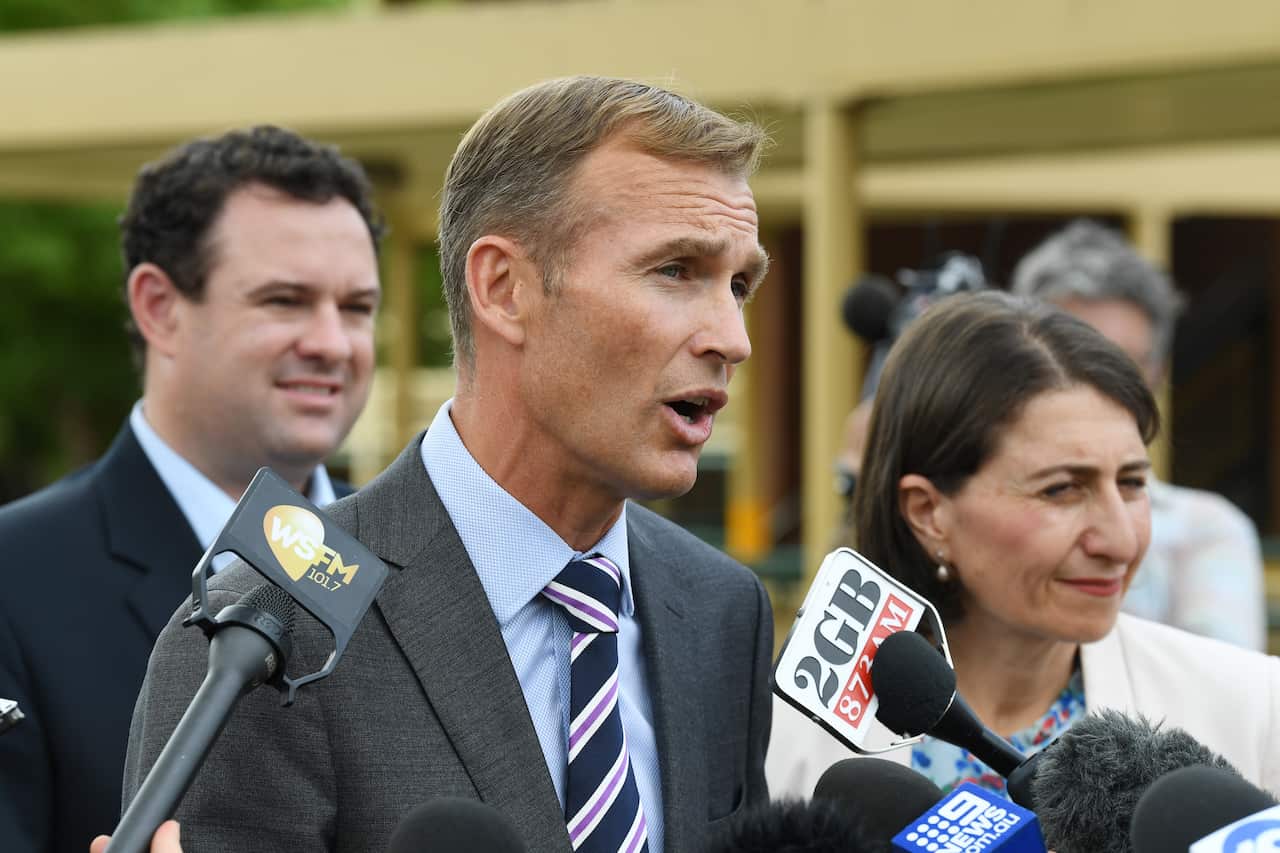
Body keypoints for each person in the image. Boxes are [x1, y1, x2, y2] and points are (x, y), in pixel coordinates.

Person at [123, 76, 774, 853]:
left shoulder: (721, 609)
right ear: (503, 288)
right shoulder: (266, 625)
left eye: (740, 284)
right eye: (677, 271)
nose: (730, 336)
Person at [0, 126, 383, 853]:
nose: (333, 343)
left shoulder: (422, 560)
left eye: (358, 307)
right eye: (285, 299)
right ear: (159, 307)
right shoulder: (12, 581)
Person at [767, 291, 1280, 800]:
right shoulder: (777, 736)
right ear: (928, 512)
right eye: (1061, 489)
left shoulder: (1251, 710)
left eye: (1131, 483)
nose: (1121, 541)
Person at [1012, 220, 1267, 651]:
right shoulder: (987, 509)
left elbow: (1219, 695)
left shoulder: (1206, 528)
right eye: (1072, 362)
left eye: (1123, 365)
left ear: (1158, 373)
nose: (1102, 388)